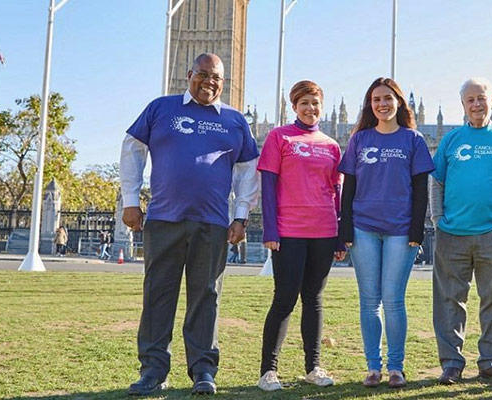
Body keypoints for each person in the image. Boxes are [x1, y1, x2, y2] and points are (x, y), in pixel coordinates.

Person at [120, 53, 259, 396]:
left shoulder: (234, 120)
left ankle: (203, 370)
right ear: (189, 74)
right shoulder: (161, 108)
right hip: (164, 218)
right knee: (158, 295)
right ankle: (153, 370)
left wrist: (241, 215)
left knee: (206, 297)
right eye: (203, 74)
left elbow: (248, 172)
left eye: (216, 78)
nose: (209, 82)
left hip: (212, 223)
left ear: (223, 83)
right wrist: (130, 202)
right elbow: (132, 151)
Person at [339, 77, 434, 389]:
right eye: (376, 99)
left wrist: (417, 231)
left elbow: (421, 189)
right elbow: (348, 187)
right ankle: (372, 367)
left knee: (393, 300)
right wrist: (345, 229)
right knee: (369, 300)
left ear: (399, 102)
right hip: (364, 227)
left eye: (388, 98)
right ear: (370, 105)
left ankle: (396, 366)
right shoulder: (359, 139)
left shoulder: (414, 140)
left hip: (400, 229)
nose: (382, 104)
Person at [429, 77, 492, 385]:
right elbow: (437, 182)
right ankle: (452, 363)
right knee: (449, 301)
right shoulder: (451, 140)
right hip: (452, 234)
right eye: (470, 99)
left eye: (481, 98)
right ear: (463, 105)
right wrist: (437, 219)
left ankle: (490, 361)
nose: (476, 104)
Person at [256, 80, 344, 392]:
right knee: (284, 298)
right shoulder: (279, 137)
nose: (310, 108)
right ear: (294, 106)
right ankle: (268, 371)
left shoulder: (331, 145)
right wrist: (270, 229)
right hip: (289, 229)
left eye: (315, 103)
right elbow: (268, 186)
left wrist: (338, 235)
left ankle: (313, 367)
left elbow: (336, 192)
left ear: (322, 107)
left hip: (323, 229)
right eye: (304, 103)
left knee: (314, 299)